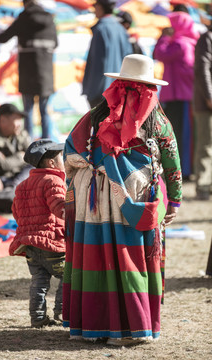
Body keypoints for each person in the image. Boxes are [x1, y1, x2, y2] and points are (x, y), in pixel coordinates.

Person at [63, 54, 182, 345]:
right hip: (136, 197)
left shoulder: (95, 114)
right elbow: (172, 163)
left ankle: (95, 326)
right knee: (132, 259)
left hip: (95, 198)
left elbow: (70, 149)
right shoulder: (158, 121)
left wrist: (95, 168)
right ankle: (132, 328)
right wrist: (175, 201)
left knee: (99, 256)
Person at [10, 139, 66, 328]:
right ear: (51, 163)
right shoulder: (53, 180)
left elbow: (17, 213)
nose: (63, 161)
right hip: (51, 243)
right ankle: (62, 313)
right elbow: (60, 208)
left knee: (39, 282)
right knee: (69, 275)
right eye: (61, 157)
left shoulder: (22, 185)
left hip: (30, 245)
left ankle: (38, 318)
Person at [0, 0, 58, 140]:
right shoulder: (49, 19)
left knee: (27, 110)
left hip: (27, 73)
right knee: (45, 111)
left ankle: (28, 143)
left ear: (25, 4)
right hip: (46, 75)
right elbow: (56, 43)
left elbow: (4, 37)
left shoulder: (23, 19)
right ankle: (47, 142)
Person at [153, 11, 200, 179]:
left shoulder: (180, 44)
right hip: (179, 96)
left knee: (180, 135)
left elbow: (159, 54)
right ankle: (183, 170)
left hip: (180, 97)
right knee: (179, 135)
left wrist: (164, 38)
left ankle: (183, 171)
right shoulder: (187, 42)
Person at [82, 0, 131, 109]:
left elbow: (97, 62)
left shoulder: (101, 29)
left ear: (100, 7)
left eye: (95, 7)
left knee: (100, 124)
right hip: (118, 88)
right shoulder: (120, 29)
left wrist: (92, 91)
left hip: (100, 90)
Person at [0, 103, 31, 191]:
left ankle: (16, 187)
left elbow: (33, 156)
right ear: (3, 120)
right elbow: (2, 166)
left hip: (22, 174)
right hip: (4, 179)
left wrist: (15, 159)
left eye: (20, 120)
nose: (20, 124)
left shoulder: (20, 132)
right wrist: (21, 156)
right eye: (16, 120)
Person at [193, 23, 212, 200]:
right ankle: (203, 187)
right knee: (206, 146)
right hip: (206, 103)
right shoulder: (207, 38)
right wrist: (209, 97)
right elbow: (202, 69)